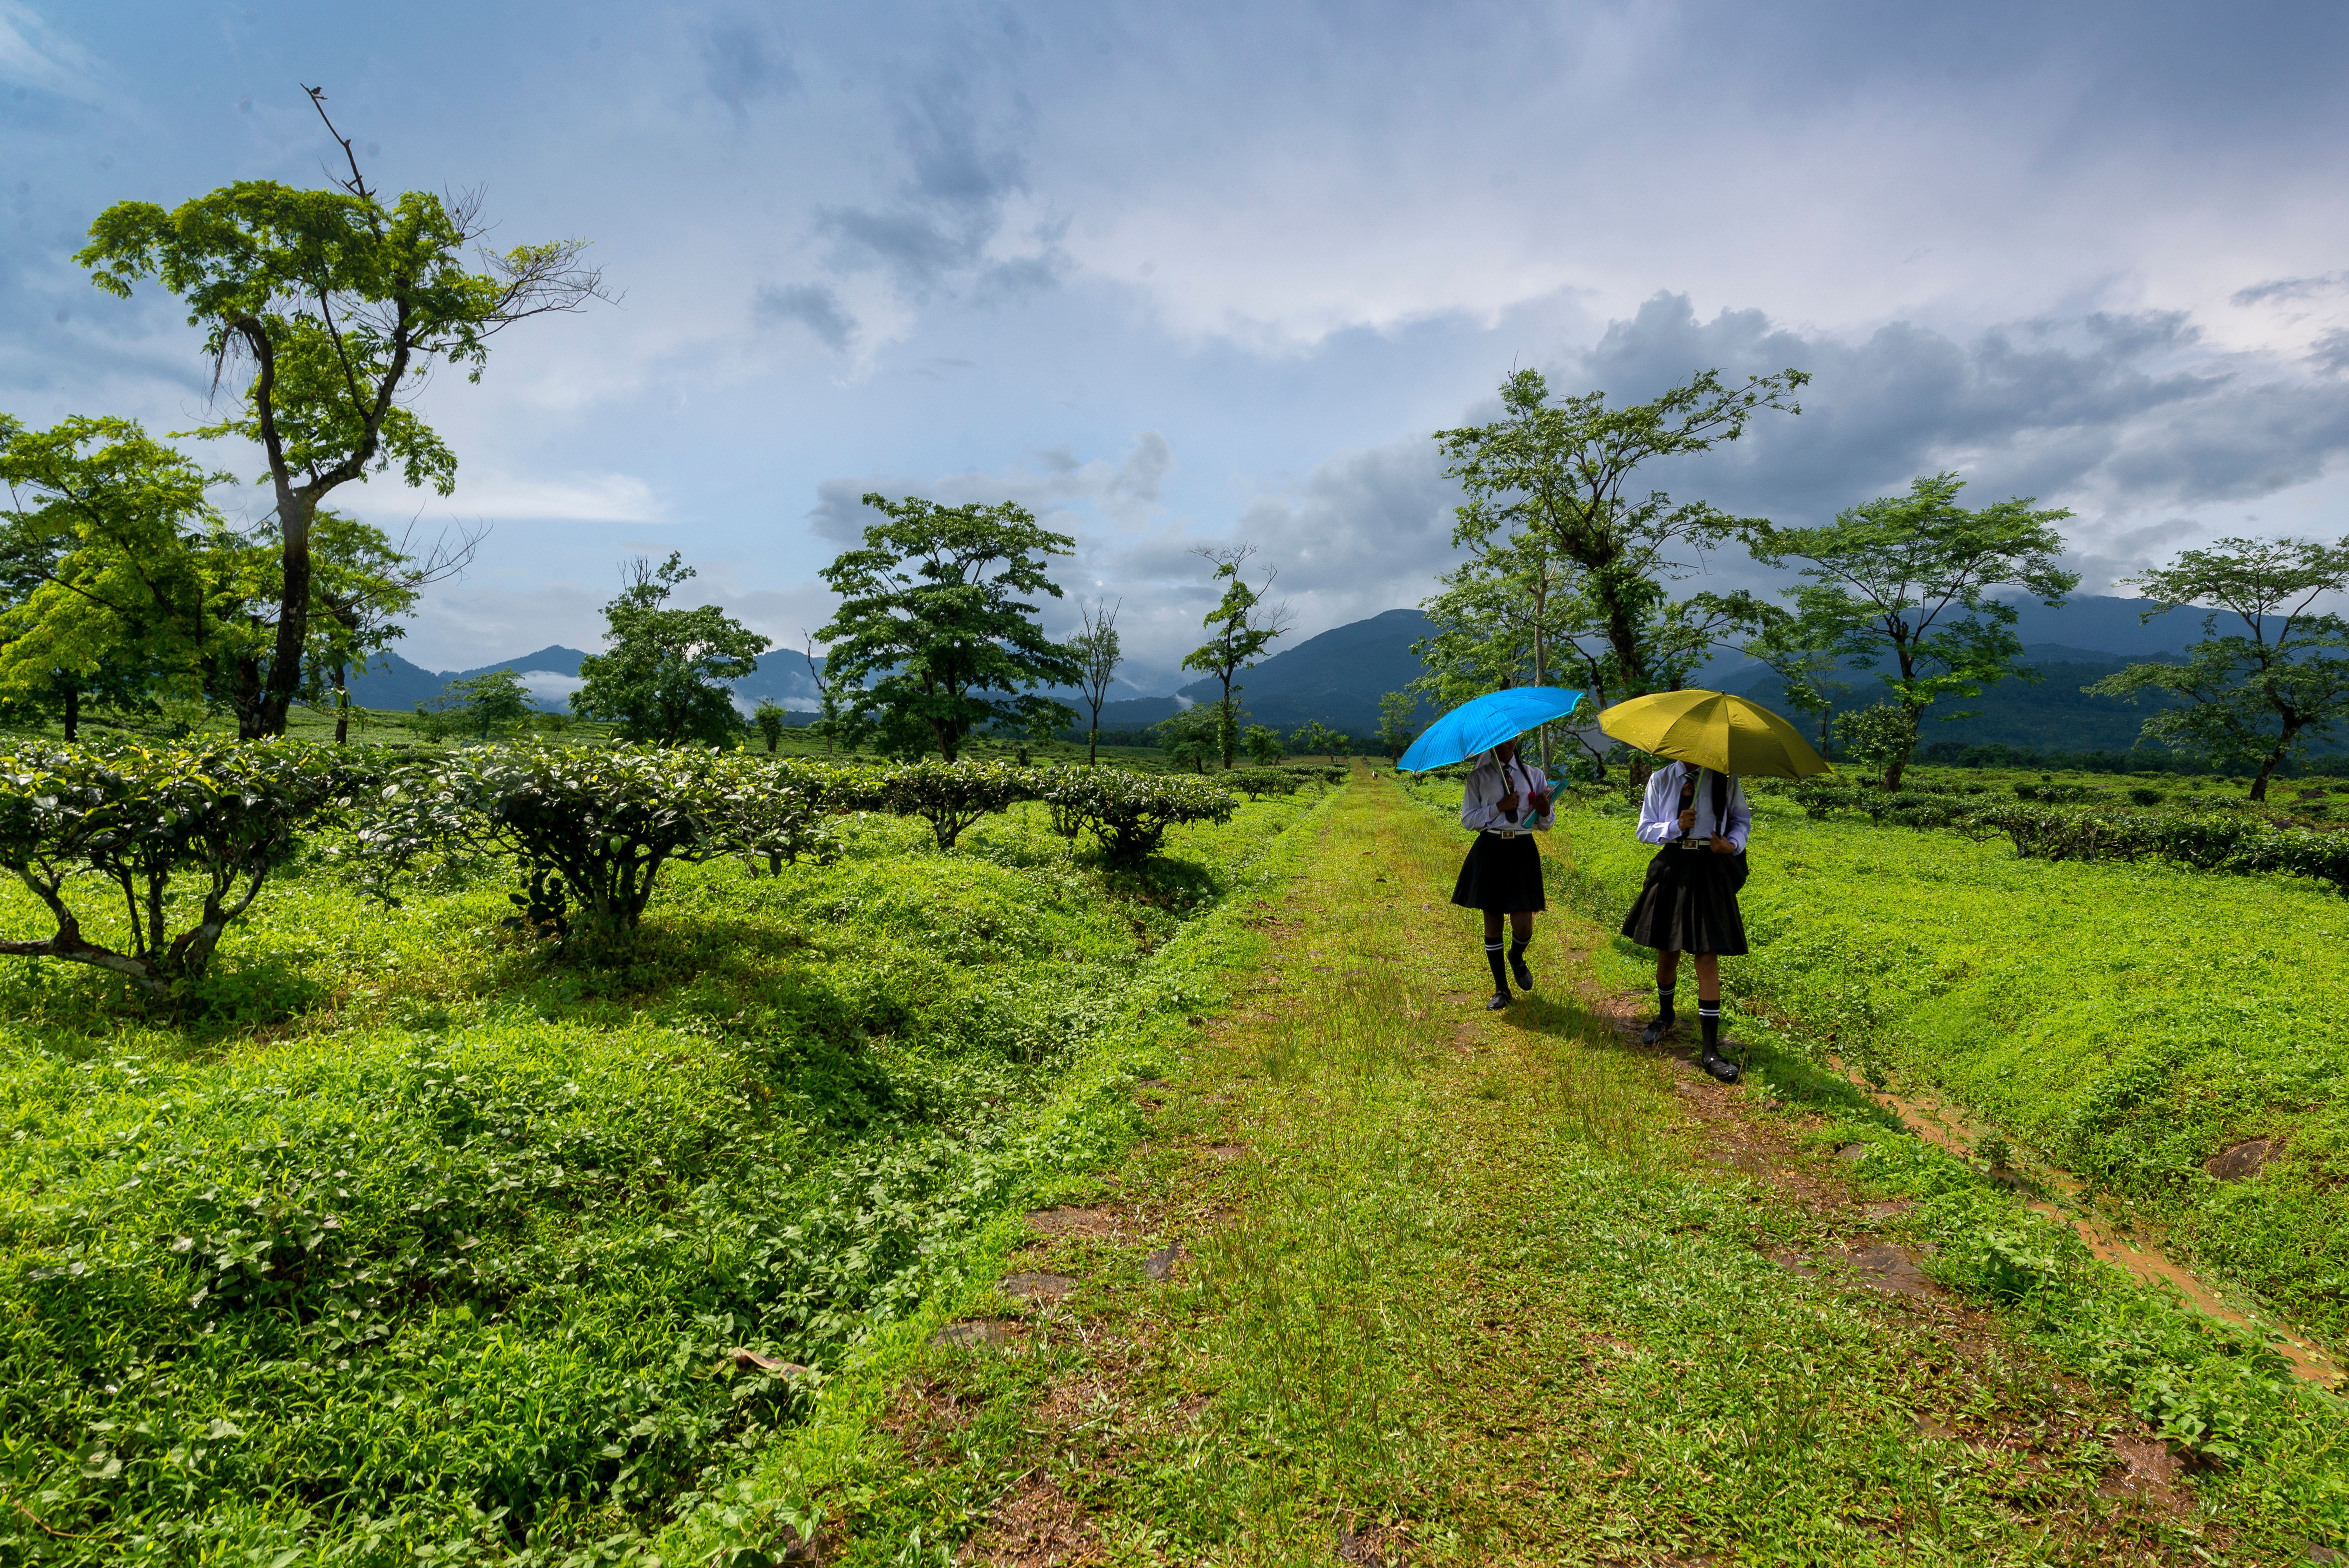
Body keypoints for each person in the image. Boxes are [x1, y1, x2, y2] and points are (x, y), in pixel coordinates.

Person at [1622, 758, 1750, 1082]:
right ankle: (1666, 1015)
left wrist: (1732, 843)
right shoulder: (1662, 779)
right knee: (1669, 951)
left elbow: (1741, 819)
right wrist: (1675, 827)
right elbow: (1644, 828)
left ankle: (1710, 1050)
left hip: (1709, 868)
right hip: (1673, 867)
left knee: (1707, 957)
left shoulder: (1724, 778)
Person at [1451, 736, 1553, 1009]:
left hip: (1522, 850)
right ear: (1490, 742)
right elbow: (1468, 819)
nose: (1505, 743)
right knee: (1493, 921)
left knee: (1524, 924)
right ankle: (1501, 989)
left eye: (1510, 737)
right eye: (1498, 740)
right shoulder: (1479, 777)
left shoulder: (1534, 776)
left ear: (1518, 737)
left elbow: (1545, 823)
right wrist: (1499, 806)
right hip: (1491, 848)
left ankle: (1517, 956)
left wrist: (1545, 812)